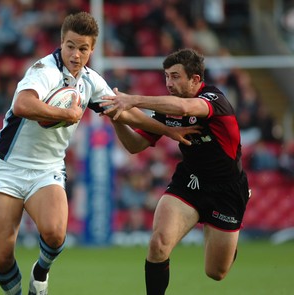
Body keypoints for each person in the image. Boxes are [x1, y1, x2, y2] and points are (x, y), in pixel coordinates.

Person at [0, 12, 197, 295]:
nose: (76, 54)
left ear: (92, 49)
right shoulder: (44, 71)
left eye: (83, 48)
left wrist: (167, 131)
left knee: (56, 235)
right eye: (70, 46)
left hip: (47, 169)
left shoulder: (91, 81)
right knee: (2, 256)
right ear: (61, 43)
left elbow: (125, 111)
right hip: (7, 167)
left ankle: (40, 272)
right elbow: (22, 104)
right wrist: (63, 113)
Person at [101, 48, 251, 295]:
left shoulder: (214, 99)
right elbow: (134, 146)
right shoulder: (167, 108)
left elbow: (184, 108)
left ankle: (226, 242)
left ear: (195, 79)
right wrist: (117, 118)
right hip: (189, 182)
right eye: (166, 77)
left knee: (216, 272)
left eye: (175, 76)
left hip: (227, 190)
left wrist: (132, 100)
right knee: (158, 244)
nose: (168, 83)